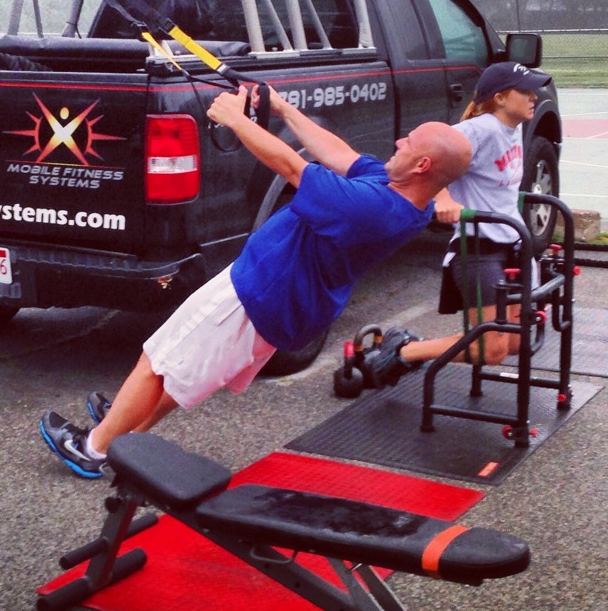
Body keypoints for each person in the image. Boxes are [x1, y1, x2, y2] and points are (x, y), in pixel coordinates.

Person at [39, 82, 474, 478]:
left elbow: (291, 167)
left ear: (422, 164)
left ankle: (92, 449)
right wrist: (284, 109)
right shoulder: (406, 196)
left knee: (157, 362)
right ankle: (125, 432)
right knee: (183, 369)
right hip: (278, 301)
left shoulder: (372, 207)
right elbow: (339, 154)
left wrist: (235, 119)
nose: (398, 141)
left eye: (408, 142)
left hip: (256, 293)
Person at [357, 60, 553, 384]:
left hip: (514, 242)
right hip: (479, 247)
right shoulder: (481, 129)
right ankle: (406, 350)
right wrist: (443, 197)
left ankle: (411, 349)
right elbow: (425, 156)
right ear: (500, 98)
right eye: (525, 91)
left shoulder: (514, 127)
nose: (534, 97)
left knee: (517, 342)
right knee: (490, 349)